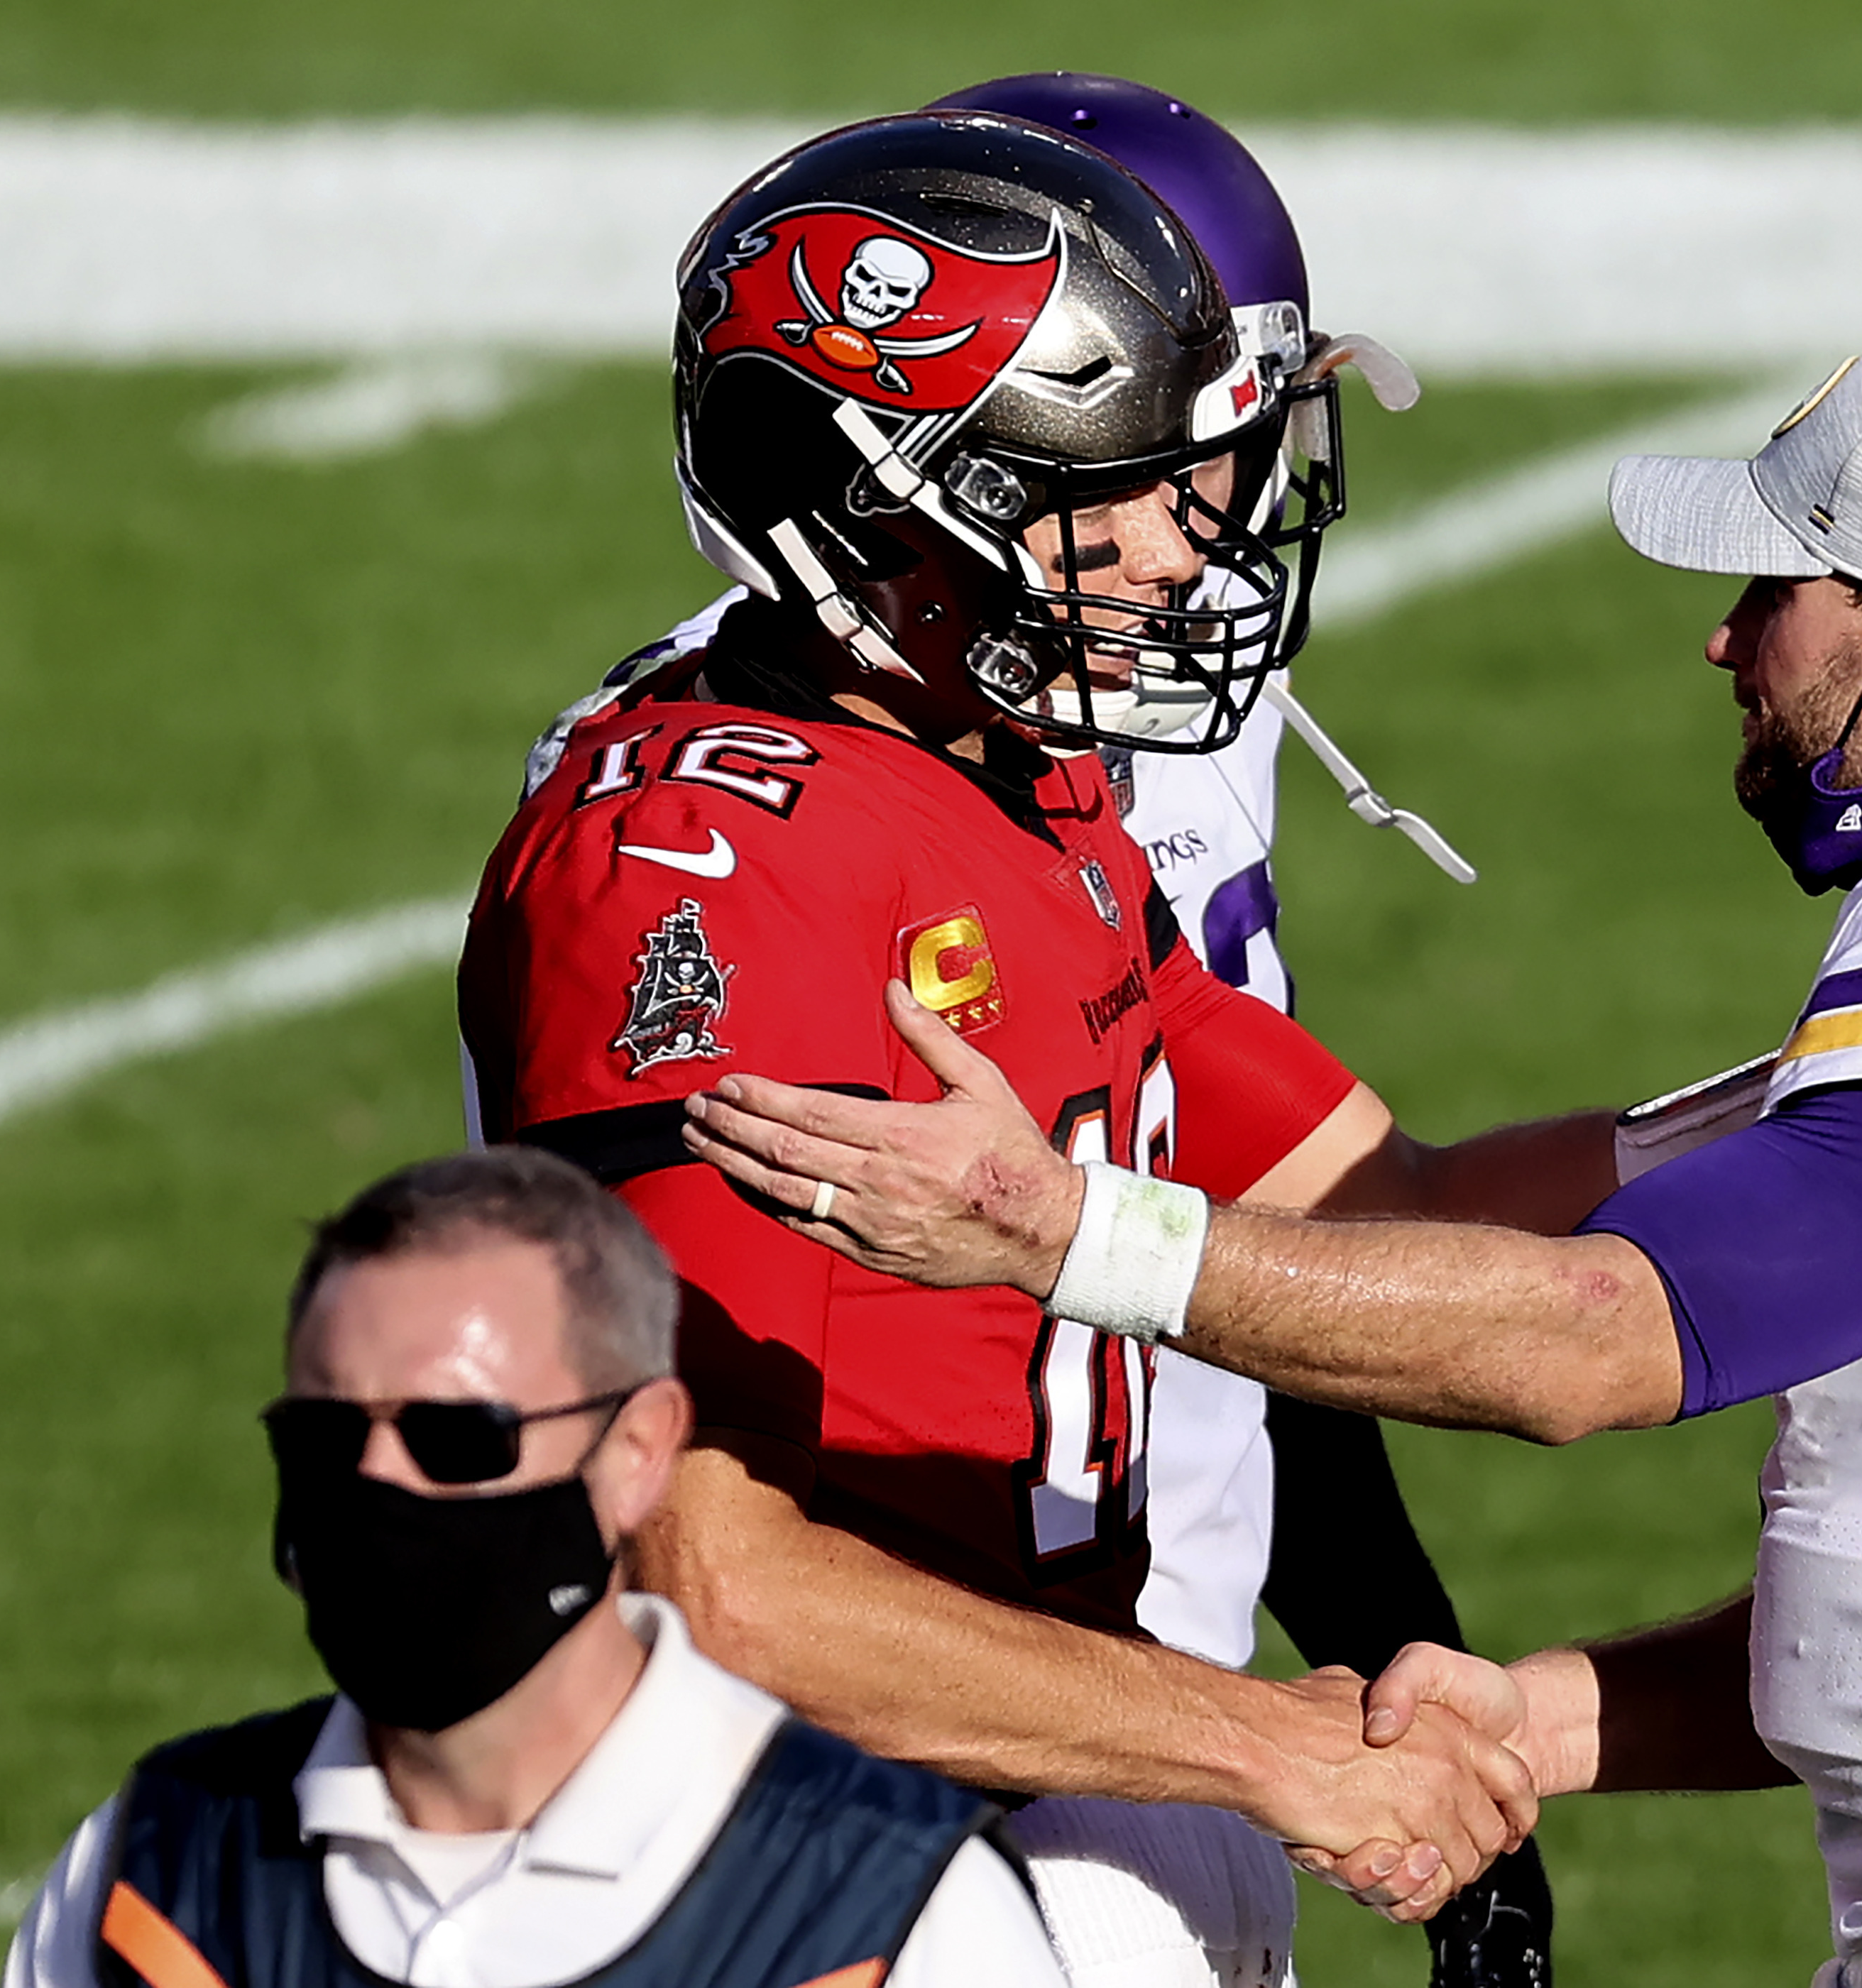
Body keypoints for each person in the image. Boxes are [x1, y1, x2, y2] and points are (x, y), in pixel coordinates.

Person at [678, 338, 1862, 1984]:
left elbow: (1598, 1342)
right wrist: (1549, 1718)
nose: (1726, 646)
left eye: (1775, 593)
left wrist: (1056, 1231)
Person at [458, 108, 1579, 1984]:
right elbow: (704, 1569)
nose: (1173, 551)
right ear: (883, 509)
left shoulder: (1000, 777)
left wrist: (1859, 1107)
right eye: (1100, 493)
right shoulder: (708, 858)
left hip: (1045, 1761)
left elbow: (1403, 1201)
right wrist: (1266, 1748)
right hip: (788, 1845)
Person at [8, 1147, 1066, 1988]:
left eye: (459, 1437)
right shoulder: (158, 1872)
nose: (379, 1488)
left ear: (637, 1453)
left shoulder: (889, 1913)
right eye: (329, 1441)